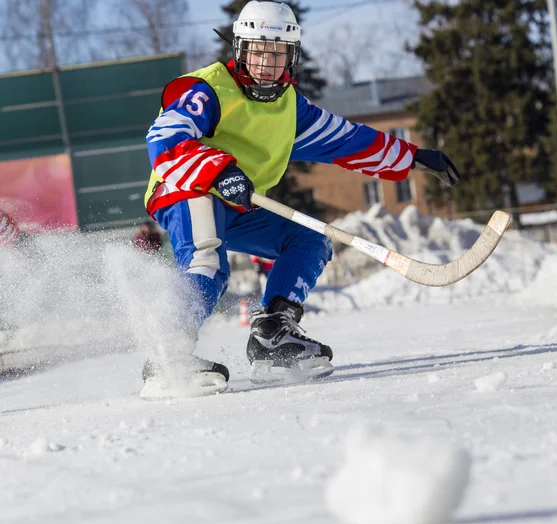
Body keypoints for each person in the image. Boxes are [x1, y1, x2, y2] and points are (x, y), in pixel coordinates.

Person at [142, 0, 460, 395]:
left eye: (277, 53)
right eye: (258, 51)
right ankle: (166, 355)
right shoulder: (205, 90)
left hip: (240, 203)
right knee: (208, 263)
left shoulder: (290, 108)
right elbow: (165, 138)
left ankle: (273, 337)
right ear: (240, 49)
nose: (267, 63)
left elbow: (347, 140)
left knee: (308, 239)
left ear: (292, 57)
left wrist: (411, 157)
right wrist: (219, 170)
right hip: (187, 188)